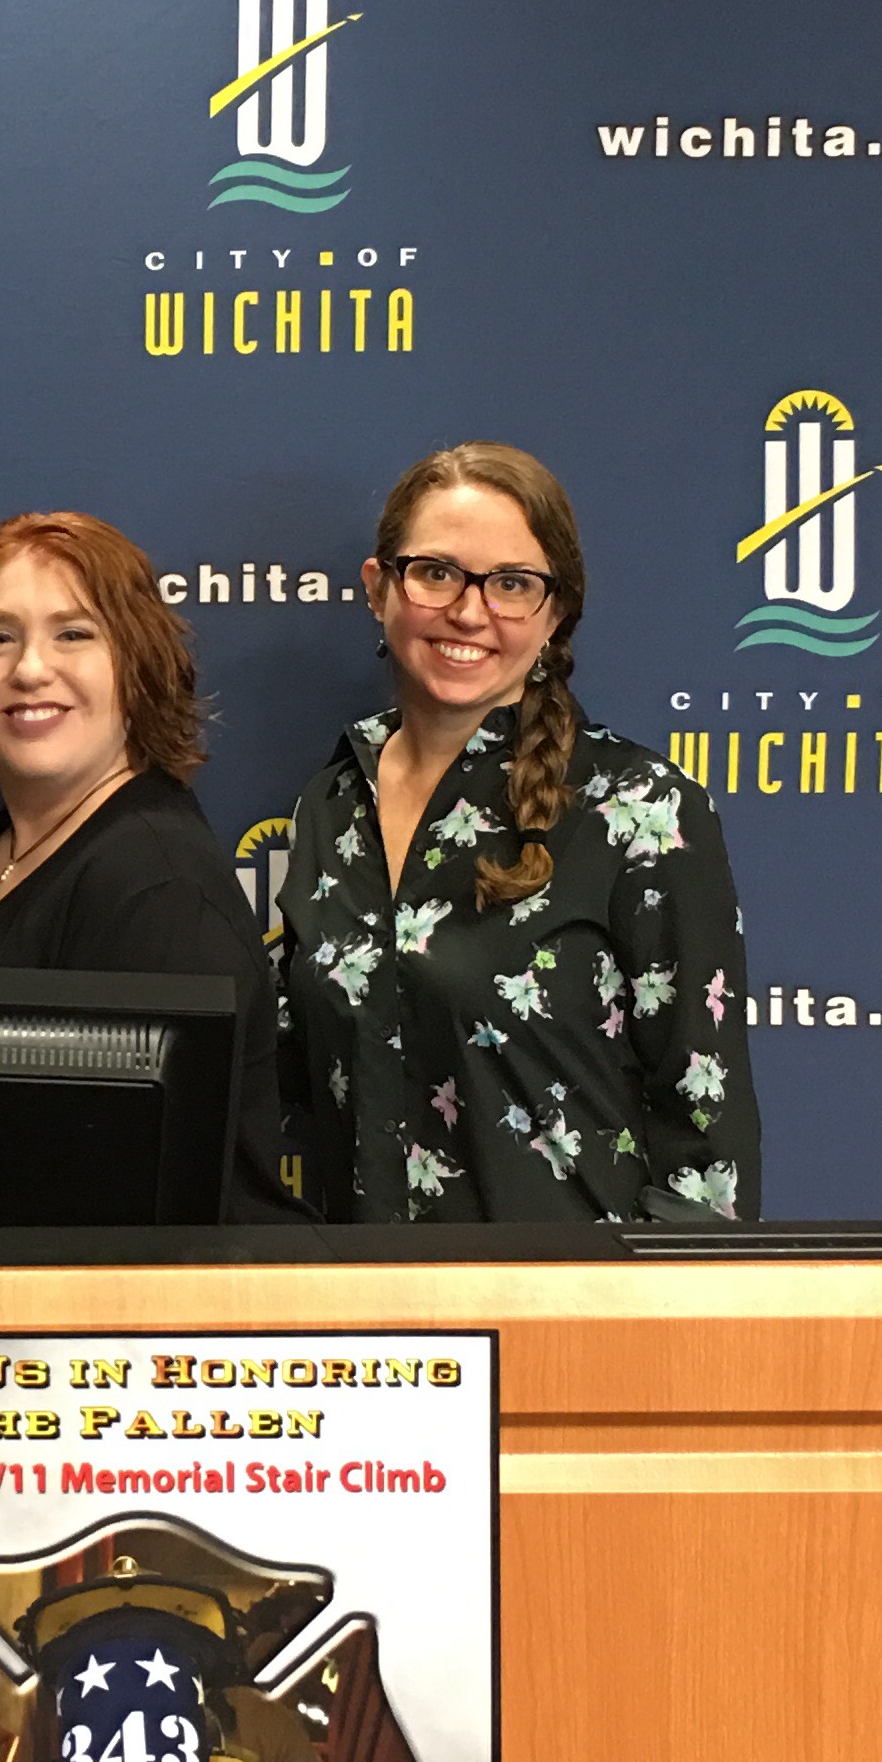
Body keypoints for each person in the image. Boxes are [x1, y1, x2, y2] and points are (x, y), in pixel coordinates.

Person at [275, 440, 757, 1225]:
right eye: (436, 573)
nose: (469, 611)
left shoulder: (638, 809)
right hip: (372, 1318)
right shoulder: (332, 804)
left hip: (572, 1319)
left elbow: (708, 1141)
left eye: (511, 585)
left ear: (556, 610)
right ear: (378, 588)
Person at [0, 510, 282, 1215]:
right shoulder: (3, 844)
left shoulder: (161, 891)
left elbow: (145, 1207)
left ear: (137, 661)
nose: (30, 669)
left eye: (73, 634)